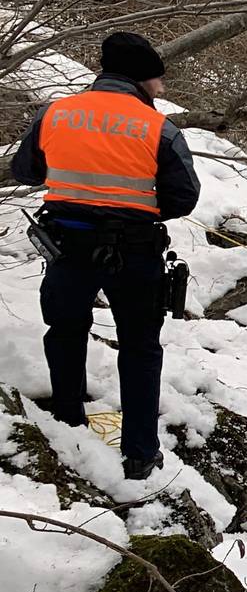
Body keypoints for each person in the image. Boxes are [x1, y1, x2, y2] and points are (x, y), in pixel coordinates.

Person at [8, 32, 201, 481]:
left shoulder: (56, 113)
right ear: (140, 79)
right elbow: (184, 197)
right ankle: (138, 455)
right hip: (133, 252)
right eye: (158, 80)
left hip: (66, 245)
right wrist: (134, 205)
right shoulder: (159, 128)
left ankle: (68, 423)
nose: (162, 89)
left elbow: (26, 170)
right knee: (139, 347)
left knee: (65, 331)